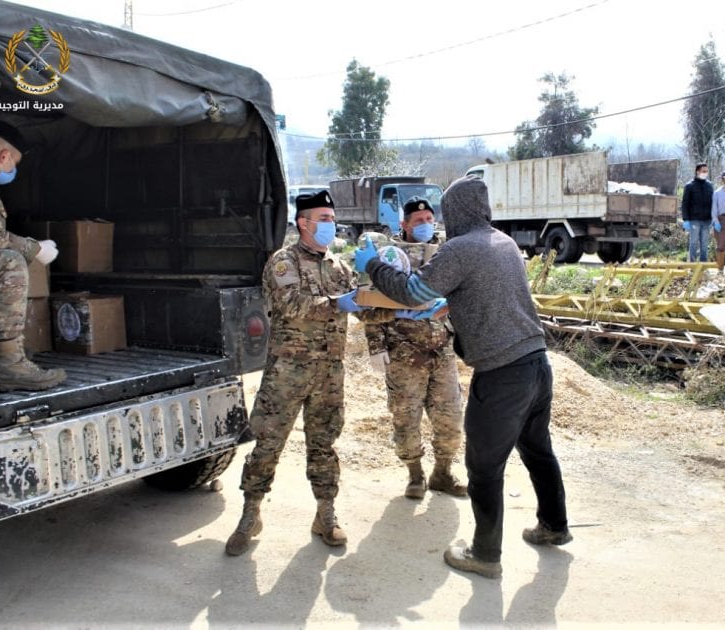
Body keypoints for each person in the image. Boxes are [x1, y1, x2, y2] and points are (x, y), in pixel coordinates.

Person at [355, 175, 570, 579]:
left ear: (453, 212)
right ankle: (554, 527)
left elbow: (413, 290)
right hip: (537, 366)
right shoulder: (502, 242)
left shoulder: (459, 247)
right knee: (538, 450)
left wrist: (373, 266)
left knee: (484, 467)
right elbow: (485, 295)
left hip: (502, 374)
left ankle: (485, 554)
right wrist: (450, 307)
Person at [225, 190, 388, 555]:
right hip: (287, 372)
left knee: (324, 444)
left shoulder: (340, 268)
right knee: (268, 442)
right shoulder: (282, 262)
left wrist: (403, 309)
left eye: (332, 218)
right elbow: (290, 304)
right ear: (304, 222)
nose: (331, 225)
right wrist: (338, 303)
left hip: (330, 373)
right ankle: (250, 514)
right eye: (324, 218)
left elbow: (365, 308)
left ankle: (325, 515)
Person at [363, 196, 466, 500]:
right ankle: (415, 475)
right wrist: (376, 345)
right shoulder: (387, 257)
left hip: (442, 351)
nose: (425, 225)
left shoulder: (448, 254)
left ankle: (443, 473)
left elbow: (463, 296)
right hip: (403, 354)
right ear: (404, 224)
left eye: (429, 219)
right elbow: (368, 302)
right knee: (405, 419)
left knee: (450, 417)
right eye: (417, 220)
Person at [0, 121, 65, 391]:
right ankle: (11, 365)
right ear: (4, 157)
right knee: (8, 263)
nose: (11, 171)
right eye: (14, 164)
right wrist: (36, 249)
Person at [680, 162, 714, 262]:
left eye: (706, 171)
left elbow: (713, 202)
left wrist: (714, 218)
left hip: (707, 219)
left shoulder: (710, 185)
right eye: (703, 171)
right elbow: (685, 204)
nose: (705, 173)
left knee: (704, 243)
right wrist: (685, 219)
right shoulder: (689, 186)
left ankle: (703, 266)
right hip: (694, 219)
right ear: (697, 171)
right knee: (693, 242)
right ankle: (692, 264)